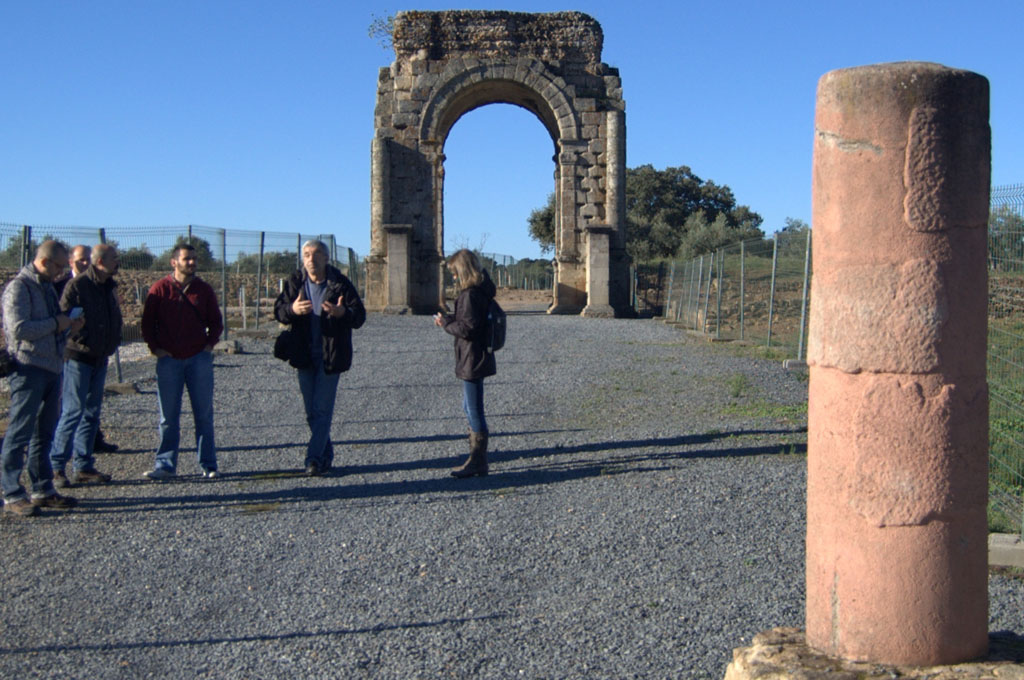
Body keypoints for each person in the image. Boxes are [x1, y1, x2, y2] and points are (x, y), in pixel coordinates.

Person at [1, 240, 84, 516]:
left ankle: (42, 488)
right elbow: (19, 329)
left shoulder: (47, 288)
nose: (63, 272)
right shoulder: (19, 288)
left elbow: (52, 327)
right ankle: (12, 493)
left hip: (52, 368)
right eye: (60, 266)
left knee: (43, 433)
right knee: (20, 432)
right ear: (45, 261)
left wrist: (69, 326)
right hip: (28, 369)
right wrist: (56, 324)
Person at [274, 239, 365, 476]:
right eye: (306, 255)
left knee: (322, 410)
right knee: (311, 413)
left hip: (331, 355)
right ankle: (326, 455)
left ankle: (313, 459)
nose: (311, 260)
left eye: (316, 255)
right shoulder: (296, 281)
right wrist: (292, 310)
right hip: (303, 354)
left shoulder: (339, 283)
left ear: (326, 258)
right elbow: (279, 311)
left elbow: (359, 316)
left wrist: (343, 312)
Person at [140, 243, 223, 480]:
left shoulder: (203, 290)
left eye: (194, 259)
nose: (192, 263)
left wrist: (209, 346)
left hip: (198, 359)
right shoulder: (160, 289)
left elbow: (216, 321)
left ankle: (209, 464)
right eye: (187, 259)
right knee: (168, 417)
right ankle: (165, 465)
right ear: (174, 262)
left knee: (204, 415)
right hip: (169, 361)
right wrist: (155, 349)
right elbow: (147, 323)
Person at [48, 244, 123, 487]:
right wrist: (79, 334)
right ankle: (56, 466)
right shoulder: (77, 286)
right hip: (79, 357)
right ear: (100, 262)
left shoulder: (109, 287)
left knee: (91, 413)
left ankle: (83, 465)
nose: (117, 261)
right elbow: (64, 317)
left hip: (100, 357)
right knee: (72, 411)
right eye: (113, 258)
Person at [434, 249, 496, 478]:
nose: (453, 277)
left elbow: (468, 328)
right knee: (470, 405)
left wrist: (445, 325)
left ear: (462, 270)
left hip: (471, 355)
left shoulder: (470, 294)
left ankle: (478, 461)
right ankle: (477, 458)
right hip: (476, 354)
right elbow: (470, 321)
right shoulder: (481, 291)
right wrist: (450, 320)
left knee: (473, 408)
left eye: (454, 273)